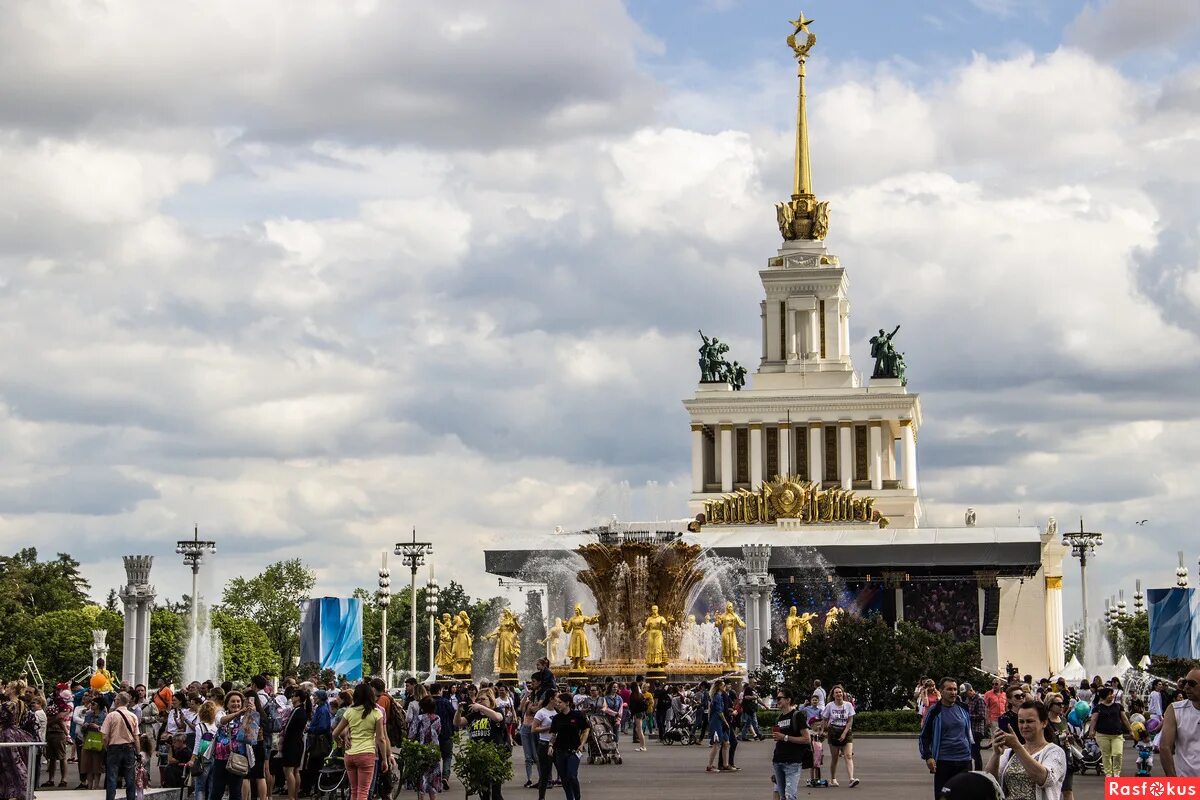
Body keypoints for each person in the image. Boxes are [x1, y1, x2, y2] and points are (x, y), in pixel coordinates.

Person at [986, 700, 1066, 800]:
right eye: (1021, 721)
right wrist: (996, 754)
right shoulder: (1010, 752)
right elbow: (989, 781)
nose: (1024, 726)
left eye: (1030, 721)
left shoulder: (1055, 752)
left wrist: (1017, 747)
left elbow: (1044, 779)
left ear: (1044, 723)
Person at [332, 683, 393, 800]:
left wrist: (340, 741)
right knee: (363, 792)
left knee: (354, 791)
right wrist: (385, 759)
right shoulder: (376, 713)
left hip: (349, 755)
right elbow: (381, 739)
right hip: (367, 754)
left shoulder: (350, 711)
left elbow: (335, 733)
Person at [919, 678, 973, 797]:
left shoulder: (963, 708)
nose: (953, 692)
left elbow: (967, 733)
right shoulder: (935, 711)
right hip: (944, 762)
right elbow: (924, 736)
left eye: (955, 689)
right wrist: (928, 757)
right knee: (943, 796)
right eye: (949, 689)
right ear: (941, 691)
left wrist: (971, 752)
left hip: (964, 760)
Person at [547, 692, 591, 800]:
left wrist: (582, 744)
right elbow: (554, 734)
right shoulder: (556, 718)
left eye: (560, 702)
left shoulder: (577, 715)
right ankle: (569, 798)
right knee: (564, 778)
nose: (557, 704)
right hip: (560, 751)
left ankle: (577, 797)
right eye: (557, 702)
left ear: (567, 703)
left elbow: (586, 729)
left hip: (574, 750)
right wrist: (550, 745)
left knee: (572, 776)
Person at [770, 687, 811, 800]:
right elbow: (780, 738)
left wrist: (785, 737)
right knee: (782, 796)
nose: (777, 700)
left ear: (788, 700)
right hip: (778, 760)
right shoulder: (779, 718)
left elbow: (807, 739)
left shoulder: (797, 715)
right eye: (776, 698)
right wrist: (779, 737)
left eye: (779, 698)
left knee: (790, 796)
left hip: (792, 762)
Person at [1160, 667, 1200, 777]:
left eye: (1192, 683)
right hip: (1185, 782)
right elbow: (1164, 747)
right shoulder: (1174, 710)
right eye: (1185, 682)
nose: (1186, 687)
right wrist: (1173, 782)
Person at [1084, 686, 1131, 777]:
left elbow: (1124, 719)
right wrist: (1091, 731)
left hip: (1117, 734)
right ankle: (1108, 773)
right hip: (1102, 734)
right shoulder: (1098, 708)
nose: (1112, 696)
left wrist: (1130, 730)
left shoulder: (1118, 706)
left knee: (1117, 753)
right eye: (1109, 694)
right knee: (1106, 755)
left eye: (1112, 694)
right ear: (1104, 696)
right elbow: (1094, 720)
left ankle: (1116, 772)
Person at [101, 692, 140, 800]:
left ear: (118, 701)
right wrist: (138, 752)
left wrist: (107, 747)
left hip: (114, 748)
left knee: (112, 778)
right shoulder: (133, 716)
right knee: (130, 779)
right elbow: (136, 737)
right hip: (129, 748)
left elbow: (104, 736)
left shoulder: (111, 715)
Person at [0, 687, 35, 800]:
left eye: (9, 687)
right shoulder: (21, 704)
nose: (6, 689)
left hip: (7, 735)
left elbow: (2, 719)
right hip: (16, 733)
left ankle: (15, 791)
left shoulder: (8, 704)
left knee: (11, 763)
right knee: (16, 763)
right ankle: (18, 790)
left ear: (13, 690)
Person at [821, 685, 858, 787]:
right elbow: (824, 719)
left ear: (843, 694)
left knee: (848, 755)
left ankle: (851, 779)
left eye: (840, 692)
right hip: (833, 732)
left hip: (846, 731)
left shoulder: (848, 705)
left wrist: (844, 733)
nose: (839, 694)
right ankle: (833, 779)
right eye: (836, 692)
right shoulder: (829, 706)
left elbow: (850, 721)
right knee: (835, 757)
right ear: (833, 695)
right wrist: (824, 730)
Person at [409, 696, 442, 800]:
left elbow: (412, 734)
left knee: (422, 778)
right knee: (433, 779)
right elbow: (439, 732)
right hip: (434, 751)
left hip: (421, 750)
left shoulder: (418, 718)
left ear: (422, 707)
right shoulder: (437, 718)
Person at [1043, 694, 1075, 800]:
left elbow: (1067, 735)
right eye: (1058, 704)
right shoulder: (1044, 722)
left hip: (1066, 757)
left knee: (1068, 790)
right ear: (1050, 705)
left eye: (1063, 704)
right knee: (1051, 791)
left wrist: (1070, 739)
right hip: (1050, 759)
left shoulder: (1063, 719)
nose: (1062, 706)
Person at [186, 700, 219, 800]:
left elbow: (197, 745)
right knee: (211, 785)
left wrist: (192, 759)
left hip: (202, 759)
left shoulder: (199, 726)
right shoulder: (216, 727)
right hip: (214, 757)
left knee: (200, 786)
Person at [279, 689, 308, 800]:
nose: (292, 697)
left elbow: (288, 727)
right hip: (298, 742)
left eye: (294, 696)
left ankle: (291, 796)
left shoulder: (297, 710)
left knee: (289, 770)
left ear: (298, 698)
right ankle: (294, 795)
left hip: (291, 743)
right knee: (296, 770)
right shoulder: (302, 710)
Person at [531, 693, 557, 800]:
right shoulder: (541, 712)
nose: (558, 701)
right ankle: (541, 797)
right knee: (545, 773)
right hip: (544, 743)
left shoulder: (557, 711)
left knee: (563, 772)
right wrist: (548, 728)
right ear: (551, 699)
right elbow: (534, 729)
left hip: (556, 744)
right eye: (556, 698)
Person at [705, 679, 730, 773]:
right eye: (723, 685)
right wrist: (725, 722)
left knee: (726, 742)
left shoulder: (718, 696)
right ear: (719, 687)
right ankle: (709, 765)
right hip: (716, 723)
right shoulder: (717, 697)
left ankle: (725, 764)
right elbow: (719, 712)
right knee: (716, 744)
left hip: (719, 723)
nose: (725, 687)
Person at [962, 683, 987, 770]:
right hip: (969, 729)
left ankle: (978, 771)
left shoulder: (979, 700)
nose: (965, 695)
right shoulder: (968, 700)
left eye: (966, 693)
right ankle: (971, 770)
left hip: (977, 730)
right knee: (971, 752)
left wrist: (967, 716)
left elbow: (982, 715)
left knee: (975, 752)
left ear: (971, 690)